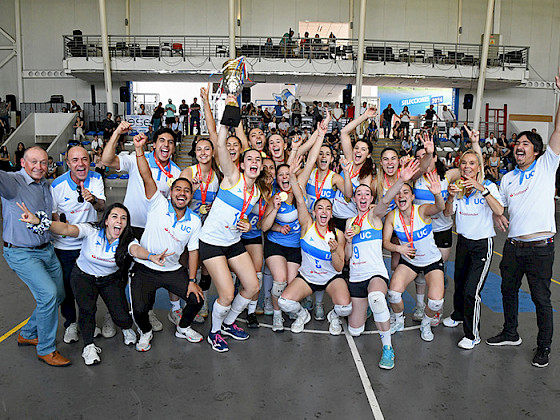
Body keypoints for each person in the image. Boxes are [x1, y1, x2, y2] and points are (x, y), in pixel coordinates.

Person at [487, 72, 560, 368]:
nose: (519, 146)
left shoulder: (546, 166)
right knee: (507, 289)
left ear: (538, 150)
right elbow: (500, 208)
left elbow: (558, 129)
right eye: (516, 142)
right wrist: (493, 208)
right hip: (514, 247)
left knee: (541, 298)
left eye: (525, 143)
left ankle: (544, 347)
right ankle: (510, 332)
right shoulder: (507, 179)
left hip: (541, 248)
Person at [18, 202, 141, 365]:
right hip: (83, 277)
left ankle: (126, 328)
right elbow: (66, 229)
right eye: (115, 216)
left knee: (122, 316)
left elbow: (137, 250)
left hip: (109, 279)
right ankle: (89, 346)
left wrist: (151, 256)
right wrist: (41, 222)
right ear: (106, 221)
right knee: (86, 310)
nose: (119, 221)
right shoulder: (92, 230)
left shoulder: (128, 240)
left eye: (123, 218)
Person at [199, 112, 270, 353]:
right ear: (241, 163)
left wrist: (250, 226)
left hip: (233, 242)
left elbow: (247, 219)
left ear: (260, 168)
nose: (254, 162)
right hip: (211, 243)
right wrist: (227, 118)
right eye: (249, 158)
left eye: (258, 161)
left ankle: (228, 324)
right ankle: (214, 332)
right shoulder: (232, 177)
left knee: (252, 287)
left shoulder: (257, 193)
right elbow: (219, 144)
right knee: (227, 294)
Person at [129, 133, 205, 352]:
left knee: (196, 299)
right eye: (178, 189)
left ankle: (183, 327)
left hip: (173, 270)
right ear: (170, 192)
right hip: (146, 268)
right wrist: (139, 150)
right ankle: (145, 332)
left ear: (191, 196)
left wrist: (192, 279)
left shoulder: (194, 221)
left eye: (187, 191)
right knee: (140, 310)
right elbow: (145, 175)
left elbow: (193, 253)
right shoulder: (158, 204)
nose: (182, 193)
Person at [102, 121, 181, 330]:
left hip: (153, 232)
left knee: (148, 277)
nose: (166, 145)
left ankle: (148, 312)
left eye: (171, 142)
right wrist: (118, 132)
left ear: (174, 148)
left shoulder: (176, 171)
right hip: (129, 227)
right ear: (153, 144)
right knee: (118, 273)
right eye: (162, 140)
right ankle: (114, 315)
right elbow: (107, 159)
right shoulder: (138, 158)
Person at [345, 159, 420, 369]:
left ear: (370, 199)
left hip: (375, 273)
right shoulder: (350, 222)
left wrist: (401, 181)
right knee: (355, 330)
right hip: (356, 276)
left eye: (366, 194)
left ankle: (387, 348)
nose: (362, 197)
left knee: (377, 298)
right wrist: (348, 240)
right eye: (358, 194)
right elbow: (347, 256)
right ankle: (368, 308)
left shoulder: (374, 216)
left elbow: (386, 200)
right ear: (355, 199)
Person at [1, 146, 69, 366]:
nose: (39, 167)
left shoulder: (46, 185)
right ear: (22, 163)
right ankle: (46, 349)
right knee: (48, 294)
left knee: (58, 295)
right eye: (33, 162)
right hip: (21, 252)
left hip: (46, 250)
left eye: (43, 163)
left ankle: (28, 333)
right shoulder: (13, 183)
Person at [442, 129, 504, 350]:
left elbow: (499, 210)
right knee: (459, 284)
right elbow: (448, 213)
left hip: (482, 245)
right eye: (463, 164)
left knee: (472, 291)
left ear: (479, 167)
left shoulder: (489, 186)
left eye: (471, 163)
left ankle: (472, 334)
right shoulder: (459, 189)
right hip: (464, 243)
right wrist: (449, 195)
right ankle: (458, 314)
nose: (466, 166)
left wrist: (483, 189)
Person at [278, 157, 351, 335]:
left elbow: (339, 266)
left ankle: (333, 316)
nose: (324, 211)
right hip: (308, 277)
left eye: (327, 208)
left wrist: (334, 251)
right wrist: (293, 178)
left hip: (331, 277)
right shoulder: (307, 226)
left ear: (331, 214)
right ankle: (302, 315)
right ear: (314, 212)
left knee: (345, 308)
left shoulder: (338, 235)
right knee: (284, 302)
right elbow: (300, 200)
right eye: (320, 208)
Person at [50, 146, 107, 344]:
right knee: (67, 288)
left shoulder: (96, 179)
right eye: (75, 160)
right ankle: (71, 324)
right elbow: (54, 216)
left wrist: (93, 200)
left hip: (88, 246)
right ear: (68, 163)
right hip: (65, 247)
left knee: (89, 287)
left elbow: (102, 207)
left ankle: (87, 321)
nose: (80, 164)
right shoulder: (57, 185)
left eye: (84, 159)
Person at [383, 172, 445, 342]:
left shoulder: (422, 210)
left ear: (412, 197)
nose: (401, 196)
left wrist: (437, 194)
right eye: (398, 193)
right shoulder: (392, 216)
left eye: (405, 192)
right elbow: (385, 242)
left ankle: (426, 322)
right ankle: (398, 318)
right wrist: (398, 248)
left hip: (432, 261)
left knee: (436, 303)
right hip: (409, 261)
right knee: (394, 294)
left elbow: (439, 207)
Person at [179, 138, 222, 322]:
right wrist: (192, 189)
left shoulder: (217, 175)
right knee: (189, 265)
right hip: (189, 227)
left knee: (206, 267)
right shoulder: (189, 172)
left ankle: (202, 301)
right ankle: (188, 302)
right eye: (199, 149)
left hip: (208, 228)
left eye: (206, 149)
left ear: (213, 152)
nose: (203, 153)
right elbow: (177, 200)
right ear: (195, 153)